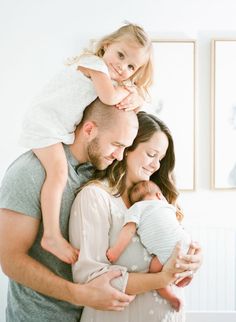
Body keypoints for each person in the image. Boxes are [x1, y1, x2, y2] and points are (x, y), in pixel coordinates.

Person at [19, 23, 153, 264]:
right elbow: (110, 98)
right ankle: (51, 235)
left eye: (132, 66)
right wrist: (130, 92)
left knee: (60, 172)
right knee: (58, 173)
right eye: (121, 55)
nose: (123, 67)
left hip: (57, 128)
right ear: (106, 46)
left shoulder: (108, 76)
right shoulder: (94, 64)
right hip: (44, 124)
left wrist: (137, 95)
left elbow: (121, 108)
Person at [0, 99, 140, 322]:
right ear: (89, 129)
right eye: (116, 144)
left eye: (125, 147)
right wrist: (79, 295)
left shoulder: (104, 173)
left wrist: (181, 255)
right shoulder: (30, 172)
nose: (120, 155)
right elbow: (11, 260)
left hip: (94, 315)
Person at [69, 111, 202, 322]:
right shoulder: (95, 197)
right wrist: (160, 279)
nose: (156, 165)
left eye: (160, 158)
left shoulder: (161, 200)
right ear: (127, 148)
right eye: (151, 154)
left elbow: (173, 249)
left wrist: (191, 261)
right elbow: (89, 279)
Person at [107, 180, 192, 311]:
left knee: (154, 271)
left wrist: (115, 251)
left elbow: (128, 230)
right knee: (185, 260)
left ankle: (171, 296)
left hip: (165, 252)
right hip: (185, 241)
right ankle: (185, 275)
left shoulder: (136, 208)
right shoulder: (168, 207)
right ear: (159, 195)